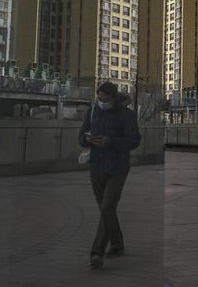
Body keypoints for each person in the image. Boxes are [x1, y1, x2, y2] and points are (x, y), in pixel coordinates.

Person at [79, 81, 142, 269]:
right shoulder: (92, 111)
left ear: (114, 99)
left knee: (107, 207)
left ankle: (96, 252)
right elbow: (81, 136)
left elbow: (134, 140)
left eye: (105, 99)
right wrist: (87, 139)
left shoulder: (126, 114)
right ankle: (117, 243)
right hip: (96, 166)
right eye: (99, 98)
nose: (101, 102)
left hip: (117, 168)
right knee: (107, 210)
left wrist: (111, 141)